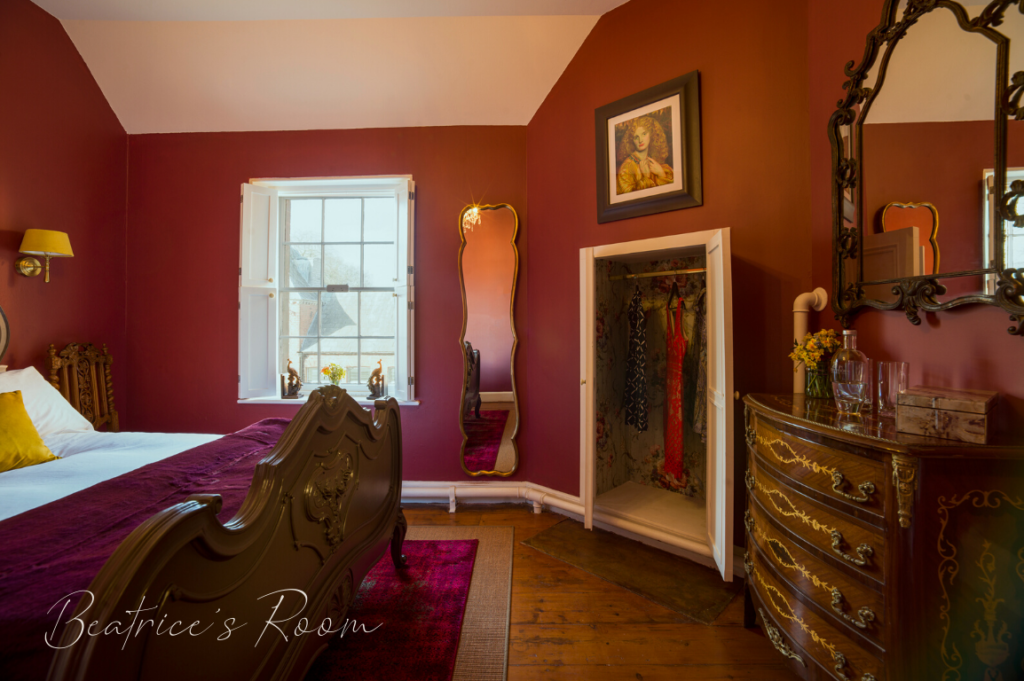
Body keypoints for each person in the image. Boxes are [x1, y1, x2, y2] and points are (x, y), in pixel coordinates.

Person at [616, 115, 674, 195]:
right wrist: (646, 178)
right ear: (631, 141)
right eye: (636, 137)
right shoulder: (626, 168)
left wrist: (661, 174)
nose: (640, 140)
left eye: (644, 134)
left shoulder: (653, 162)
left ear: (651, 134)